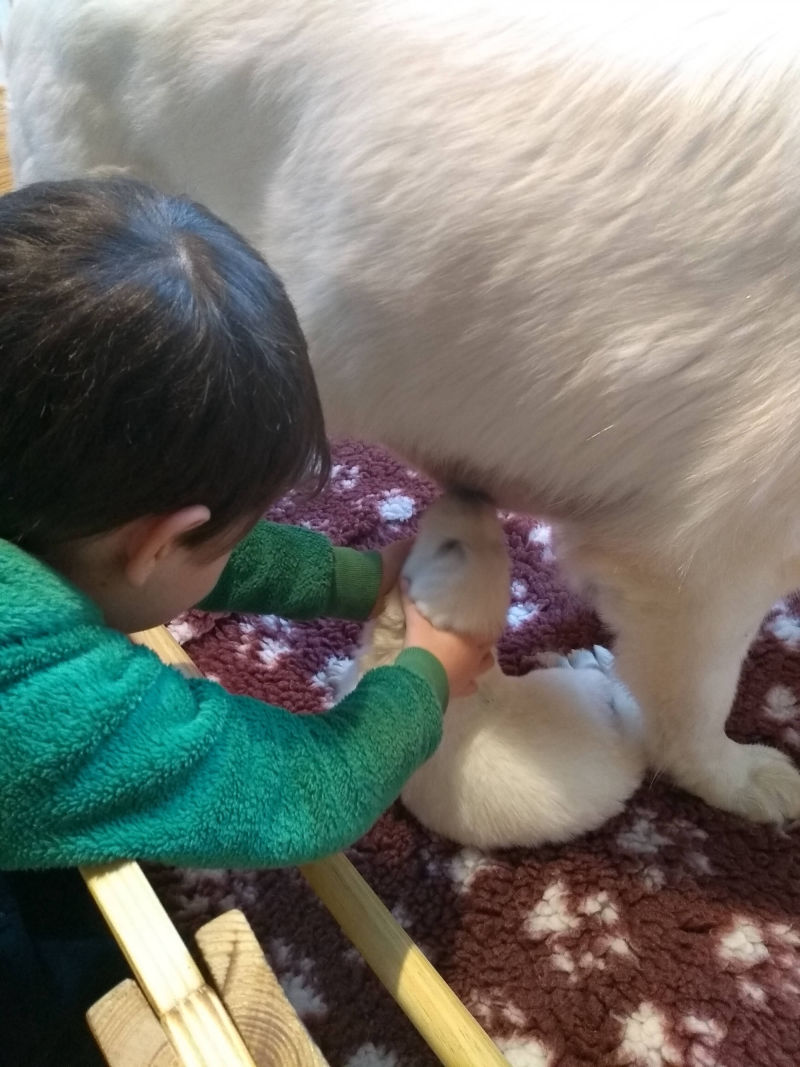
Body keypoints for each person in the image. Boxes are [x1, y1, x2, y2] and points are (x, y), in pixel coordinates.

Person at [0, 178, 493, 1063]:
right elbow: (304, 789)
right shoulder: (32, 688)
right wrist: (428, 674)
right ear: (163, 541)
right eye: (229, 536)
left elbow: (163, 555)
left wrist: (356, 578)